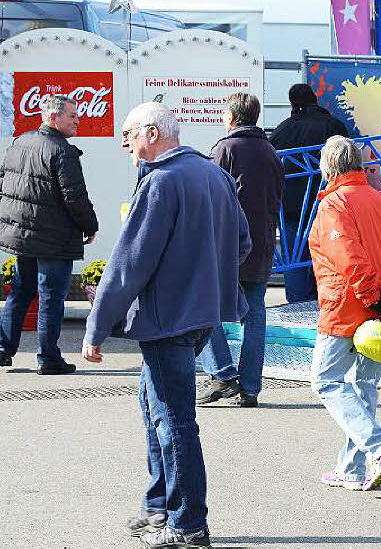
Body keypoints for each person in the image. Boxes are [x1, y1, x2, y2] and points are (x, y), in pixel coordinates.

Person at [83, 102, 252, 548]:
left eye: (128, 135)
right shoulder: (211, 173)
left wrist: (95, 329)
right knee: (154, 405)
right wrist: (206, 277)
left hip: (168, 319)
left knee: (174, 420)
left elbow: (127, 265)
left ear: (153, 133)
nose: (124, 145)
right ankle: (160, 507)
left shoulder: (161, 181)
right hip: (201, 315)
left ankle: (187, 524)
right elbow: (243, 242)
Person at [307, 135, 381, 491]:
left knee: (325, 380)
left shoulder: (333, 204)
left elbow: (347, 256)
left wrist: (371, 295)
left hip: (347, 308)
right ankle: (352, 468)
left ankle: (379, 445)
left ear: (329, 166)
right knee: (365, 384)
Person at [196, 93, 284, 408]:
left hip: (227, 246)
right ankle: (250, 387)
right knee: (256, 315)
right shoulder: (271, 151)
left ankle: (221, 373)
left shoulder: (225, 149)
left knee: (204, 307)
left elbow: (209, 195)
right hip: (261, 244)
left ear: (230, 117)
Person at [0, 94, 98, 374]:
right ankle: (49, 358)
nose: (78, 120)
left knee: (20, 291)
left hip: (23, 236)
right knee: (51, 296)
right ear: (53, 118)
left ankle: (4, 349)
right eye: (72, 116)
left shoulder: (21, 141)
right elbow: (75, 196)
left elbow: (3, 182)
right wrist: (90, 226)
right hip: (53, 238)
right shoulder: (61, 151)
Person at [269, 83, 350, 304]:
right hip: (327, 205)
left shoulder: (282, 130)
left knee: (294, 260)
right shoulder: (334, 126)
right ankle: (324, 302)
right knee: (327, 257)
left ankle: (296, 307)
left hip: (291, 208)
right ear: (315, 99)